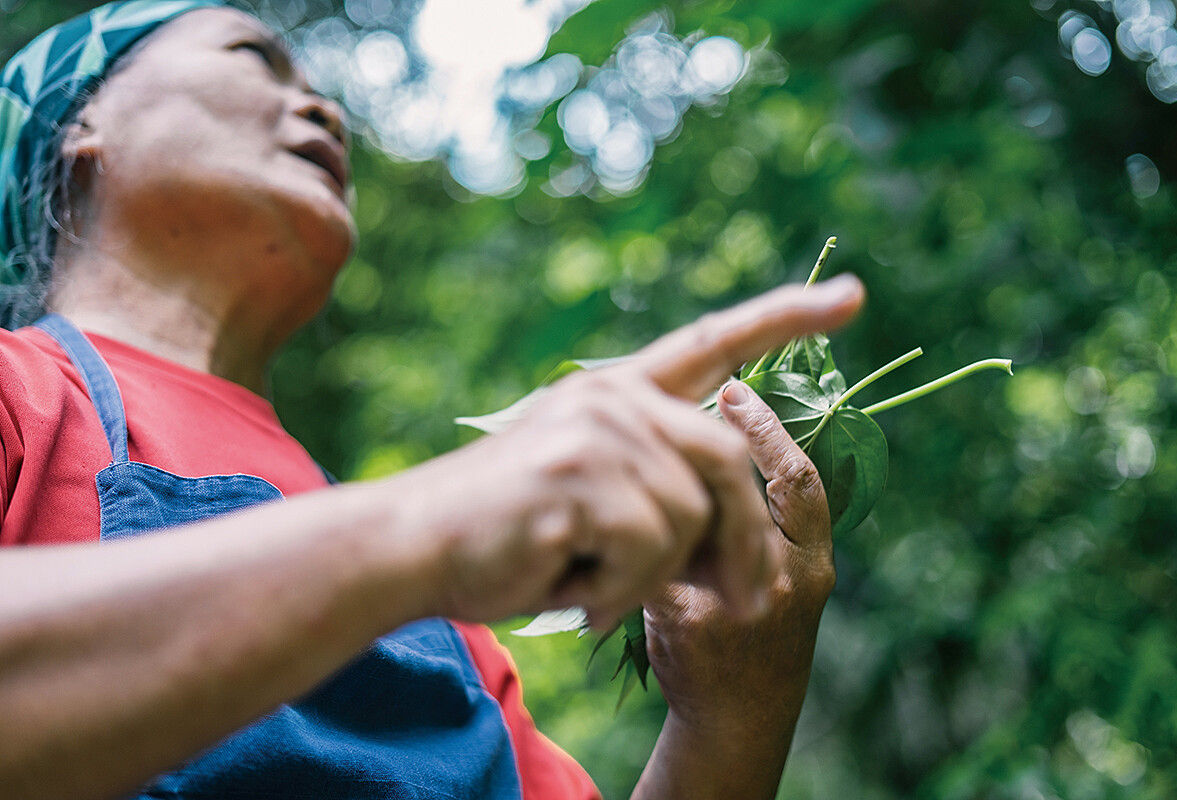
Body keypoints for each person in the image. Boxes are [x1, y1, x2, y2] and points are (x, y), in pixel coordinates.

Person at [0, 1, 865, 798]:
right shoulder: (20, 389)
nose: (326, 109)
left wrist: (731, 717)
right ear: (83, 123)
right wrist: (424, 531)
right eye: (253, 57)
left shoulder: (453, 623)